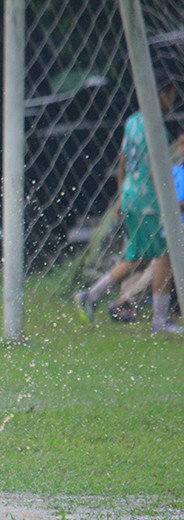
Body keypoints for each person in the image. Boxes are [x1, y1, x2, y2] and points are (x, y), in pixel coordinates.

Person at [75, 77, 182, 334]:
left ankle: (91, 296)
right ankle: (159, 322)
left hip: (132, 193)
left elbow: (123, 161)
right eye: (173, 95)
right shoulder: (153, 125)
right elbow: (156, 167)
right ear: (162, 93)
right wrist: (169, 200)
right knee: (166, 255)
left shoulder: (133, 121)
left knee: (137, 256)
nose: (174, 101)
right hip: (149, 198)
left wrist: (122, 194)